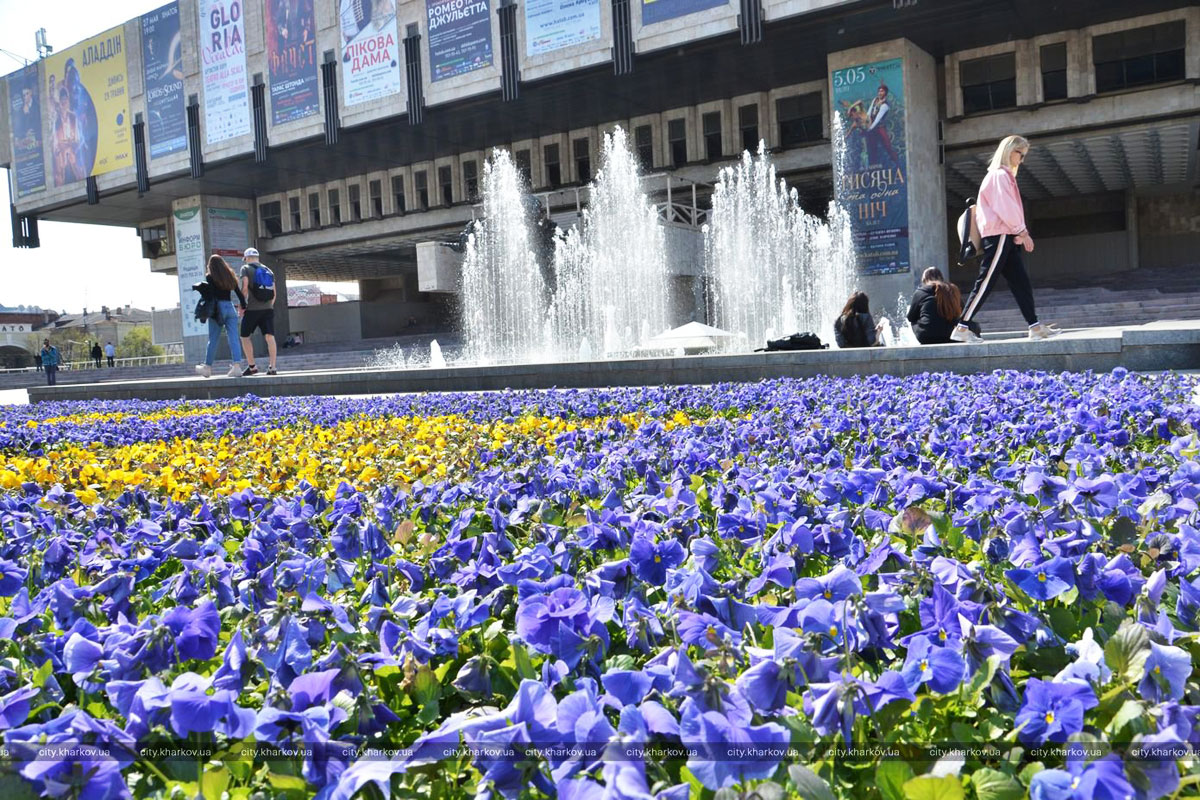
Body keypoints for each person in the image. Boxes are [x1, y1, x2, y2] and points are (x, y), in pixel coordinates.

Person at [951, 135, 1060, 342]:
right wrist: (1022, 231)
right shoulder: (999, 175)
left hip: (1005, 235)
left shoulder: (1003, 176)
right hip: (1000, 235)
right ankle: (962, 327)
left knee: (1021, 283)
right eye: (1021, 154)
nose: (1022, 159)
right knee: (985, 282)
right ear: (1010, 151)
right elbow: (1005, 207)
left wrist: (1018, 232)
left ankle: (1034, 327)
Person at [194, 255, 248, 378]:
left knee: (213, 339)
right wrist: (243, 306)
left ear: (211, 266)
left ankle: (207, 368)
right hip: (230, 308)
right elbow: (239, 294)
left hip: (218, 309)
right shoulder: (229, 275)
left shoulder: (210, 277)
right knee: (234, 338)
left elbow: (210, 295)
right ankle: (237, 367)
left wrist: (204, 312)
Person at [907, 267, 979, 345]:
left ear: (924, 280)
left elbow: (911, 317)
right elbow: (963, 312)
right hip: (954, 336)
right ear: (942, 278)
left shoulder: (920, 292)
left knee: (914, 320)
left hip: (927, 337)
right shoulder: (953, 289)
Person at [239, 248, 278, 376]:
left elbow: (244, 288)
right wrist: (268, 306)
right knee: (269, 337)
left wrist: (241, 306)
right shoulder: (269, 270)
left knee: (244, 336)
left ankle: (252, 367)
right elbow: (274, 293)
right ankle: (272, 367)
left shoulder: (245, 268)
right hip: (268, 309)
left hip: (252, 309)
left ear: (247, 258)